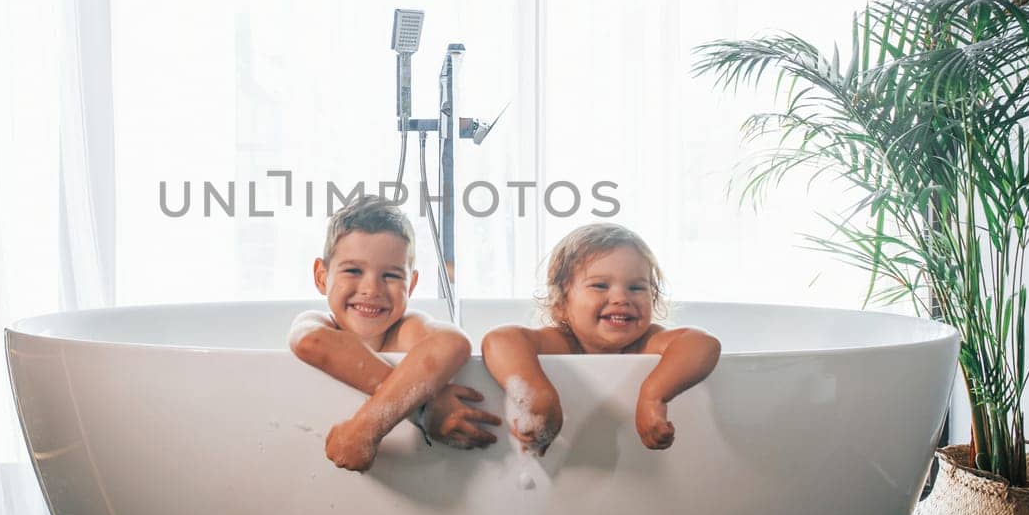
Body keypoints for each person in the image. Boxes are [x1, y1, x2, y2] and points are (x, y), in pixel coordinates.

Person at [289, 194, 501, 471]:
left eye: (391, 276)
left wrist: (366, 427)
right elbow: (308, 341)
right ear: (321, 276)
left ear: (410, 284)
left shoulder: (406, 329)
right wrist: (422, 409)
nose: (371, 289)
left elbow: (454, 342)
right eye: (353, 270)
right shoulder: (319, 323)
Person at [481, 223, 720, 455]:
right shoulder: (563, 342)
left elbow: (702, 344)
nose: (621, 298)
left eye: (636, 288)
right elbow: (500, 340)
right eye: (599, 285)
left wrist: (654, 395)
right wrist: (539, 400)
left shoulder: (647, 343)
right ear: (561, 303)